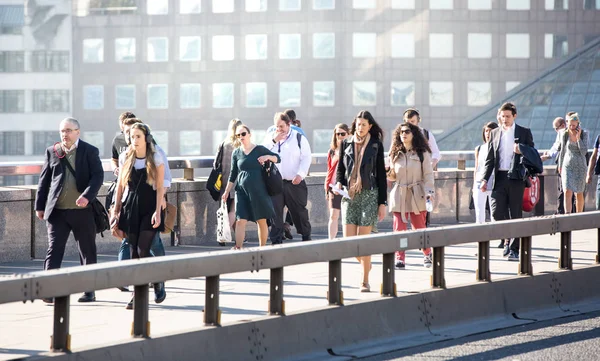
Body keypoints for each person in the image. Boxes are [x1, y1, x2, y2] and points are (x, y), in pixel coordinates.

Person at [35, 117, 104, 303]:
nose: (65, 134)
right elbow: (44, 180)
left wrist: (87, 196)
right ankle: (48, 291)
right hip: (57, 212)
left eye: (68, 130)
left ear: (77, 132)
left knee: (87, 250)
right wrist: (40, 206)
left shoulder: (89, 151)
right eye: (62, 131)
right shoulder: (53, 151)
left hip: (82, 211)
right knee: (54, 249)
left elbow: (98, 176)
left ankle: (89, 290)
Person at [114, 116, 171, 302]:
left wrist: (158, 210)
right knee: (132, 252)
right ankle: (137, 293)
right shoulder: (125, 157)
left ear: (145, 137)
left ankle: (155, 282)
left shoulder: (156, 156)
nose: (134, 139)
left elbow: (160, 186)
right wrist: (116, 211)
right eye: (131, 136)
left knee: (143, 249)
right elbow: (121, 186)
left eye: (138, 136)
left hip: (150, 206)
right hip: (131, 206)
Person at [335, 110, 387, 292]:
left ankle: (364, 280)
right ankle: (367, 263)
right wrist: (339, 183)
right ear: (354, 125)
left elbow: (381, 174)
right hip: (350, 195)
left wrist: (382, 203)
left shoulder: (375, 145)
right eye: (358, 124)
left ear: (370, 126)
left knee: (363, 242)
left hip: (369, 195)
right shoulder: (346, 143)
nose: (361, 128)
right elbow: (340, 169)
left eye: (364, 125)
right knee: (349, 243)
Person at [480, 102, 534, 262]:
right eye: (502, 116)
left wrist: (521, 150)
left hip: (516, 177)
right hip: (499, 178)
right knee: (496, 212)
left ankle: (514, 249)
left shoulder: (524, 132)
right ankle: (507, 238)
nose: (505, 119)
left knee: (515, 213)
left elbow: (532, 153)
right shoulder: (495, 133)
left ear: (514, 116)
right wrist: (484, 179)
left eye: (508, 116)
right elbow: (490, 159)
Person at [222, 125, 280, 249]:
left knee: (261, 220)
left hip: (259, 190)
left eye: (243, 134)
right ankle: (238, 247)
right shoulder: (236, 152)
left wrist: (267, 157)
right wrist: (226, 191)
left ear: (249, 134)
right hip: (241, 191)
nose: (241, 137)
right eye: (238, 135)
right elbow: (233, 174)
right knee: (240, 220)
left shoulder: (259, 149)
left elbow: (277, 158)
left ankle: (262, 248)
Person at [387, 122, 434, 269]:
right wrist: (388, 171)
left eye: (407, 131)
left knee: (419, 227)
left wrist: (429, 193)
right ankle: (400, 257)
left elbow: (428, 175)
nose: (404, 134)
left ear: (413, 133)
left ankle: (427, 254)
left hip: (417, 193)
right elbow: (393, 177)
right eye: (401, 132)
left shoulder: (422, 153)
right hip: (399, 193)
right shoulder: (395, 153)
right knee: (399, 229)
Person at [264, 112, 312, 244]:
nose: (279, 129)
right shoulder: (271, 138)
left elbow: (306, 157)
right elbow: (262, 153)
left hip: (294, 182)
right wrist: (275, 140)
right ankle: (276, 241)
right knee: (275, 213)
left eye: (281, 126)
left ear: (289, 124)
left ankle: (306, 237)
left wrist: (300, 174)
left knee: (299, 212)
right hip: (275, 182)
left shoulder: (298, 138)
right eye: (276, 126)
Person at [215, 119, 243, 238]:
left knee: (226, 210)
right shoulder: (240, 144)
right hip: (238, 181)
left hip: (224, 180)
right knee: (233, 210)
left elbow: (215, 163)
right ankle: (221, 234)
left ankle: (240, 236)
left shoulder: (223, 143)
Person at [540, 117, 573, 214]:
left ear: (563, 125)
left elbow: (556, 147)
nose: (555, 130)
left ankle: (561, 211)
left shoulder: (563, 133)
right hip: (566, 166)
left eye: (556, 128)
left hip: (565, 167)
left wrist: (548, 155)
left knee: (563, 191)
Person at [558, 112, 588, 213]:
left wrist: (578, 138)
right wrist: (560, 165)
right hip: (568, 165)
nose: (571, 127)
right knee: (566, 191)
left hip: (580, 167)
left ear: (578, 124)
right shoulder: (564, 134)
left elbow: (584, 151)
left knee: (579, 193)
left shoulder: (584, 134)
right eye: (569, 125)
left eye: (573, 125)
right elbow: (562, 150)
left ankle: (579, 216)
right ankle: (568, 215)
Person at [324, 123, 350, 239]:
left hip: (347, 187)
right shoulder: (332, 151)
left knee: (347, 216)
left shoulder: (352, 149)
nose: (340, 136)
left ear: (348, 134)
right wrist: (328, 186)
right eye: (337, 134)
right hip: (333, 187)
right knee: (333, 215)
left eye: (342, 134)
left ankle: (348, 240)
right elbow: (329, 169)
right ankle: (331, 241)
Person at [473, 122, 499, 224]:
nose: (488, 133)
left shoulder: (498, 147)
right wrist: (474, 184)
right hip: (479, 181)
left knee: (494, 213)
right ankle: (480, 237)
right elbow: (477, 167)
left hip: (494, 180)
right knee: (479, 214)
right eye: (486, 131)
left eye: (491, 131)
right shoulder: (479, 148)